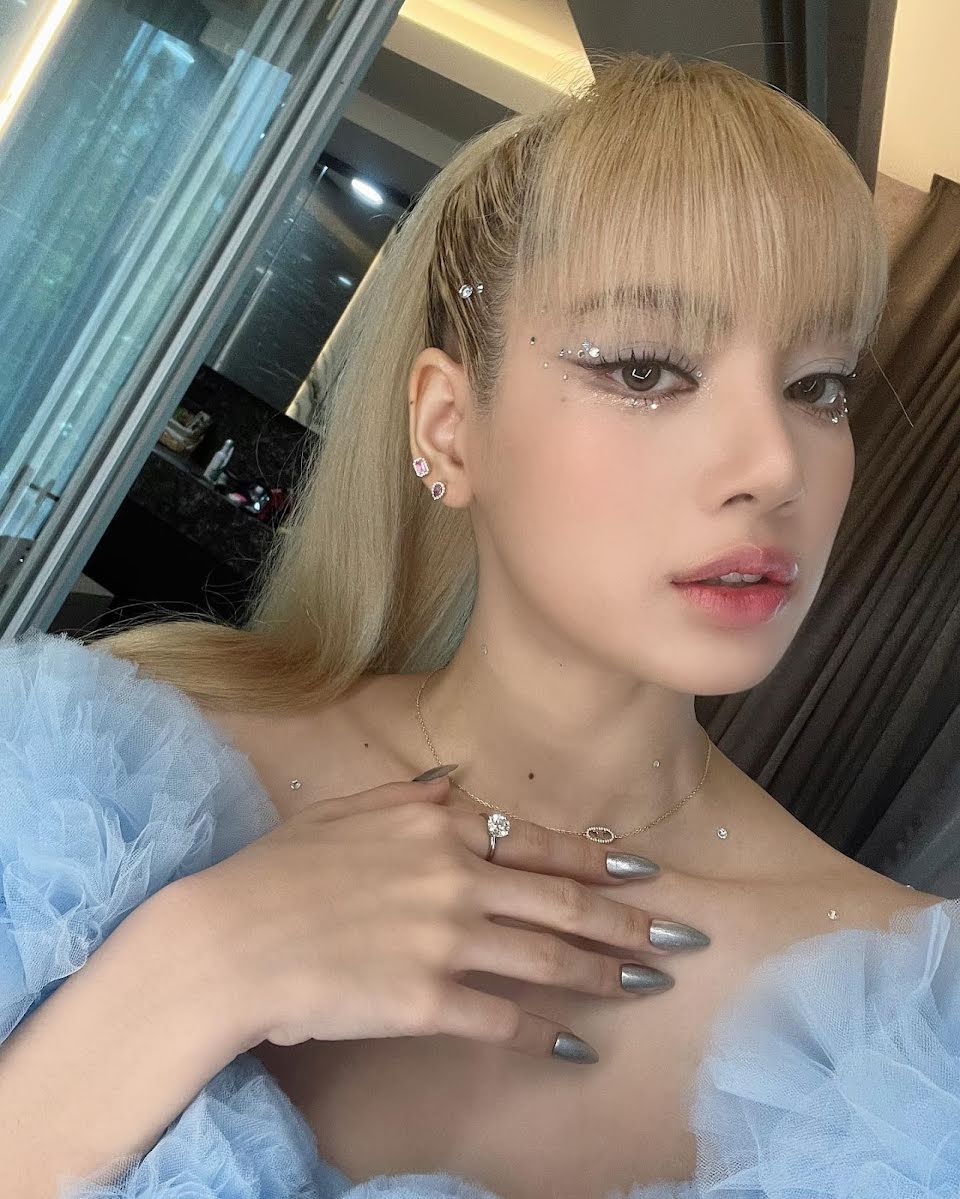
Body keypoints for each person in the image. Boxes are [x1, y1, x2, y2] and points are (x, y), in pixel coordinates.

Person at [0, 49, 956, 1199]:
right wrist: (197, 963)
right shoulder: (99, 803)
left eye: (819, 386)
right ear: (449, 428)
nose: (774, 464)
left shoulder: (906, 1058)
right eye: (647, 368)